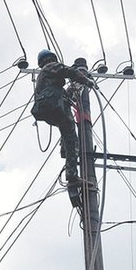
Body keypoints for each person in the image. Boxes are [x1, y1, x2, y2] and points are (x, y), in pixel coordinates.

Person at [31, 50, 93, 185]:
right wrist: (86, 80)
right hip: (56, 108)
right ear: (51, 59)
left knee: (67, 132)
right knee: (72, 139)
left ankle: (65, 149)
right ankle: (72, 175)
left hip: (47, 111)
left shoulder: (46, 78)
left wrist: (76, 86)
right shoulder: (51, 66)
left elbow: (65, 95)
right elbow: (68, 71)